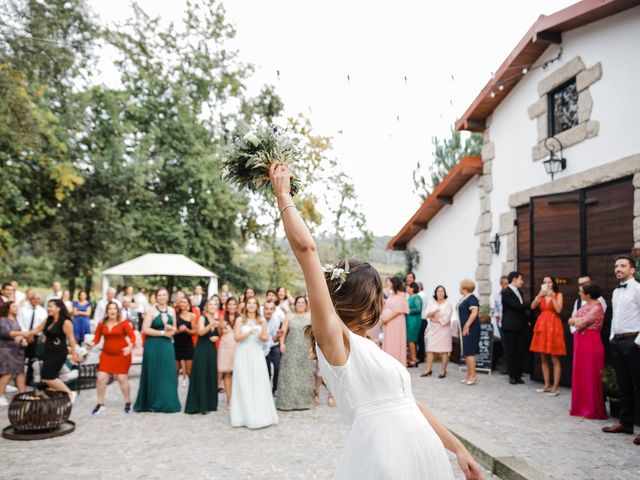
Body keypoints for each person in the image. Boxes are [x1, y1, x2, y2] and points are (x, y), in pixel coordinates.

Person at [268, 163, 482, 479]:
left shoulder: (368, 347)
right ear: (363, 303)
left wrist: (458, 448)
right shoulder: (336, 340)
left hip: (422, 456)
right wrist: (283, 196)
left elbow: (412, 405)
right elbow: (307, 250)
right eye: (378, 297)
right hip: (384, 458)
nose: (382, 303)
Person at [602, 256, 640, 445]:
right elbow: (615, 317)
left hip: (633, 341)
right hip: (617, 342)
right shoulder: (616, 292)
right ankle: (625, 423)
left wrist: (638, 342)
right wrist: (611, 338)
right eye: (616, 266)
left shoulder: (638, 289)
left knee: (639, 385)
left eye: (623, 266)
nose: (618, 269)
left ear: (632, 270)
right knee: (623, 385)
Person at [230, 297, 278, 429]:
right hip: (243, 353)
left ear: (257, 306)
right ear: (245, 305)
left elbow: (265, 338)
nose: (251, 306)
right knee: (244, 382)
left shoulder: (261, 320)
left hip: (256, 354)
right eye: (249, 303)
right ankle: (243, 417)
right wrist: (248, 333)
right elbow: (236, 337)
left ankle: (260, 415)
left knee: (258, 381)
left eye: (254, 303)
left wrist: (260, 336)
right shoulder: (240, 319)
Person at [134, 288, 181, 413]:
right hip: (153, 345)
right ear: (156, 297)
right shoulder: (151, 311)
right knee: (154, 371)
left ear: (167, 296)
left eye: (164, 295)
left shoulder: (172, 310)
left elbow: (175, 329)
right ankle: (152, 402)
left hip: (167, 345)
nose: (162, 297)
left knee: (167, 372)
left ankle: (167, 401)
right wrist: (162, 332)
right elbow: (145, 329)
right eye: (159, 295)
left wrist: (170, 328)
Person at [26, 299, 80, 402]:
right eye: (48, 306)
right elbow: (36, 329)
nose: (48, 308)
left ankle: (70, 393)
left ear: (58, 308)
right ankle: (58, 395)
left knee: (49, 378)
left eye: (51, 306)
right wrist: (25, 334)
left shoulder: (65, 322)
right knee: (47, 377)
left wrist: (74, 355)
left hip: (59, 353)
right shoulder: (48, 319)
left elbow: (72, 339)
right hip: (48, 352)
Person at [87, 301, 136, 415]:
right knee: (100, 379)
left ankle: (127, 402)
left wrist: (129, 346)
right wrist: (91, 343)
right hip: (106, 355)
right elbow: (97, 339)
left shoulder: (123, 323)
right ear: (107, 311)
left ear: (117, 311)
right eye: (110, 309)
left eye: (114, 309)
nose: (112, 311)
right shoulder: (101, 324)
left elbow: (132, 337)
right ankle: (100, 404)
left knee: (122, 379)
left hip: (122, 354)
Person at [568, 282, 607, 420]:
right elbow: (571, 320)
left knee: (590, 373)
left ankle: (591, 408)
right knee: (580, 372)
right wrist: (575, 320)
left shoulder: (597, 307)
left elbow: (580, 322)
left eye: (581, 291)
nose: (579, 293)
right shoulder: (585, 305)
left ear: (588, 294)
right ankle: (580, 406)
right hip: (580, 341)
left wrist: (576, 321)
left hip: (591, 342)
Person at [276, 296, 315, 411]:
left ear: (306, 304)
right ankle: (286, 403)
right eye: (298, 302)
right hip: (291, 349)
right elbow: (283, 332)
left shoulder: (310, 316)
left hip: (305, 349)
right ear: (295, 304)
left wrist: (313, 348)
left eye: (303, 302)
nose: (300, 304)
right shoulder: (289, 316)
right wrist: (282, 344)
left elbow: (315, 333)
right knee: (289, 375)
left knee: (305, 375)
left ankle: (305, 403)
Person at [530, 276, 566, 396]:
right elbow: (532, 307)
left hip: (553, 325)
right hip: (542, 325)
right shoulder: (541, 295)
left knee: (554, 358)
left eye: (549, 282)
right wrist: (539, 296)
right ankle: (546, 384)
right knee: (543, 357)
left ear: (553, 283)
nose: (547, 284)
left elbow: (559, 309)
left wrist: (551, 297)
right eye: (544, 282)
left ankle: (555, 386)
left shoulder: (558, 294)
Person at [185, 297, 219, 414]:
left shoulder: (216, 319)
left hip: (212, 350)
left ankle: (210, 404)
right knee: (202, 374)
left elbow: (217, 333)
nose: (213, 307)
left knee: (210, 374)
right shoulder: (202, 318)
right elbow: (200, 332)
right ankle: (200, 405)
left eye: (215, 305)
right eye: (211, 305)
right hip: (202, 350)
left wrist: (217, 337)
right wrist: (212, 325)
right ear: (206, 307)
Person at [501, 271, 530, 385]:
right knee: (511, 351)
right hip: (510, 326)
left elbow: (521, 309)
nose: (522, 282)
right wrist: (531, 304)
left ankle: (518, 375)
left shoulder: (520, 292)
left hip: (521, 325)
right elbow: (516, 306)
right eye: (521, 279)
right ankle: (512, 375)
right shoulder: (506, 292)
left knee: (520, 350)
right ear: (514, 279)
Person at [0, 301, 28, 406]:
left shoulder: (15, 320)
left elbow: (17, 335)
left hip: (18, 351)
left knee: (20, 372)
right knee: (7, 373)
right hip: (6, 351)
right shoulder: (3, 320)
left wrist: (23, 339)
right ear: (8, 308)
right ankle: (0, 395)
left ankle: (23, 394)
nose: (17, 308)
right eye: (14, 306)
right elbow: (6, 333)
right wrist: (23, 333)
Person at [422, 286, 453, 378]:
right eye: (438, 291)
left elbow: (446, 318)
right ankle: (428, 370)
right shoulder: (432, 303)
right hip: (433, 330)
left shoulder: (448, 304)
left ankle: (443, 371)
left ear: (445, 293)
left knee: (444, 350)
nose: (440, 293)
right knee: (430, 350)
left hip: (444, 330)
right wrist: (434, 312)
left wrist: (435, 318)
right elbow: (426, 314)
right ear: (435, 293)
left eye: (442, 291)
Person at [17, 292, 47, 385]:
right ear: (30, 299)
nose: (35, 301)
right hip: (23, 335)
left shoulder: (42, 311)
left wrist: (33, 335)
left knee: (33, 359)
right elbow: (19, 322)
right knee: (20, 358)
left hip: (35, 337)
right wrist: (26, 335)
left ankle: (28, 380)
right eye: (33, 298)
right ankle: (17, 379)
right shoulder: (22, 310)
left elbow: (42, 326)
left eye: (37, 299)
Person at [381, 277, 409, 366]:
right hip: (388, 323)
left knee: (396, 341)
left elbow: (398, 310)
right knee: (388, 341)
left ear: (395, 284)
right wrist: (382, 316)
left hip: (396, 322)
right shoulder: (391, 294)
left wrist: (387, 319)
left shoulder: (402, 295)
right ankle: (388, 362)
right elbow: (387, 306)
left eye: (391, 283)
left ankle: (397, 362)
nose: (389, 284)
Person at [458, 279, 480, 385]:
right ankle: (469, 375)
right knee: (467, 352)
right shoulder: (464, 298)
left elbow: (474, 313)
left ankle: (473, 376)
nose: (459, 288)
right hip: (465, 329)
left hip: (471, 328)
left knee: (470, 352)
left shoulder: (472, 298)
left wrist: (467, 325)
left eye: (460, 286)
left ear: (464, 288)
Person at [218, 297, 238, 409]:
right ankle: (229, 400)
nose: (231, 306)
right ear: (226, 306)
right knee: (227, 373)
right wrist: (220, 327)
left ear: (236, 306)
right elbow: (219, 333)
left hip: (237, 346)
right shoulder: (222, 317)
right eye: (229, 304)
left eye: (233, 304)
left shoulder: (240, 318)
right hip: (225, 346)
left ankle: (237, 398)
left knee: (238, 373)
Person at [174, 296, 197, 387]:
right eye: (181, 302)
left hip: (187, 345)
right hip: (176, 345)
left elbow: (195, 331)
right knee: (174, 371)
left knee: (189, 371)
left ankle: (193, 391)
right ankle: (173, 394)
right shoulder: (175, 315)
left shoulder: (192, 316)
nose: (182, 304)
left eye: (184, 302)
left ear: (188, 304)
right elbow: (172, 331)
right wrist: (179, 330)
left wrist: (186, 330)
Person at [263, 300, 283, 395]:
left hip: (273, 346)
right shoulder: (259, 319)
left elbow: (274, 339)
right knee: (266, 370)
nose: (269, 311)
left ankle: (275, 388)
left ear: (274, 310)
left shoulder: (276, 320)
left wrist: (278, 336)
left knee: (277, 367)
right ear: (263, 309)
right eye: (266, 308)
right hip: (261, 346)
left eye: (271, 309)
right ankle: (265, 389)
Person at [405, 282, 423, 367]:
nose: (406, 289)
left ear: (412, 288)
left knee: (411, 340)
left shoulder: (417, 297)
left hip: (414, 321)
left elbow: (418, 309)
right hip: (409, 320)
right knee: (409, 340)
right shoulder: (410, 298)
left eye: (408, 287)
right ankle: (411, 358)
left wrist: (408, 310)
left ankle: (414, 359)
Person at [416, 281, 429, 364]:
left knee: (420, 339)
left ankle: (421, 356)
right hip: (424, 319)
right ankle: (421, 356)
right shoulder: (425, 295)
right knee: (421, 339)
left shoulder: (419, 296)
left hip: (421, 318)